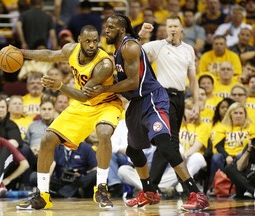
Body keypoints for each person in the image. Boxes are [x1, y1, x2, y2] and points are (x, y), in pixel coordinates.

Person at [83, 14, 209, 211]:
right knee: (133, 150)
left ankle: (196, 194)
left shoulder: (128, 46)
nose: (105, 30)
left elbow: (133, 82)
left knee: (165, 145)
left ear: (121, 30)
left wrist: (104, 89)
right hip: (136, 102)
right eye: (105, 27)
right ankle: (149, 191)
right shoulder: (118, 50)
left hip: (152, 98)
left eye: (110, 27)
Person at [15, 25, 122, 210]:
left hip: (106, 104)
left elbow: (83, 95)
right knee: (47, 139)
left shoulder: (104, 64)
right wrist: (21, 52)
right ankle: (42, 195)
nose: (91, 45)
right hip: (82, 106)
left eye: (95, 41)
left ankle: (102, 189)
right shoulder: (70, 50)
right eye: (87, 41)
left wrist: (60, 86)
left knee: (104, 133)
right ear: (79, 39)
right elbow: (49, 55)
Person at [138, 15, 208, 210]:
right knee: (169, 142)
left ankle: (151, 190)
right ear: (166, 28)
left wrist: (195, 102)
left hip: (179, 98)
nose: (172, 29)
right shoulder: (158, 45)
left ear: (181, 27)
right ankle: (192, 192)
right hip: (163, 96)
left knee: (167, 144)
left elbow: (192, 79)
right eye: (169, 26)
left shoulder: (188, 50)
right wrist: (142, 36)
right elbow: (135, 51)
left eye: (175, 26)